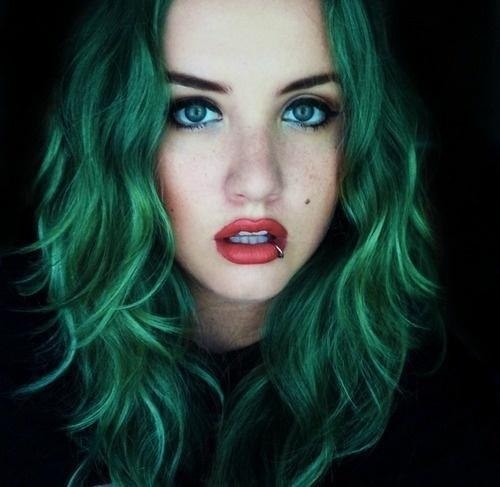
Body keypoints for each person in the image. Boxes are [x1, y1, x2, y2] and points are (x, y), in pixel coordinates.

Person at [1, 0, 498, 485]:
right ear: (114, 134)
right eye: (195, 111)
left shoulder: (435, 415)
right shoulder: (16, 363)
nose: (258, 181)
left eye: (305, 111)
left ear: (358, 140)